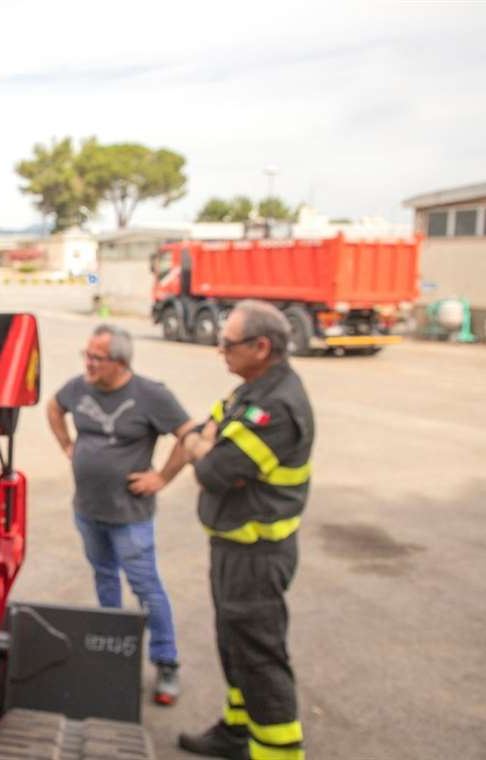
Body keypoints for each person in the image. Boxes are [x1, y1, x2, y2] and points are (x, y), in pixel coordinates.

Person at [178, 300, 314, 760]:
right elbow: (203, 428)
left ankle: (279, 752)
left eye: (228, 343)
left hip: (258, 556)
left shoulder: (276, 407)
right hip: (235, 549)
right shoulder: (250, 391)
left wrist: (204, 445)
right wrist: (205, 440)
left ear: (260, 347)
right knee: (234, 649)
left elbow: (214, 470)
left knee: (259, 658)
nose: (220, 350)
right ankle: (237, 735)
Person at [47, 324, 195, 705]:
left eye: (97, 358)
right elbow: (54, 406)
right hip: (89, 510)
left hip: (130, 516)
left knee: (146, 587)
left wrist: (162, 476)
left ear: (121, 362)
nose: (88, 364)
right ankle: (110, 649)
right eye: (87, 355)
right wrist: (66, 444)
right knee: (105, 578)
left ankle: (166, 661)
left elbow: (187, 433)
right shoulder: (79, 388)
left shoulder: (150, 395)